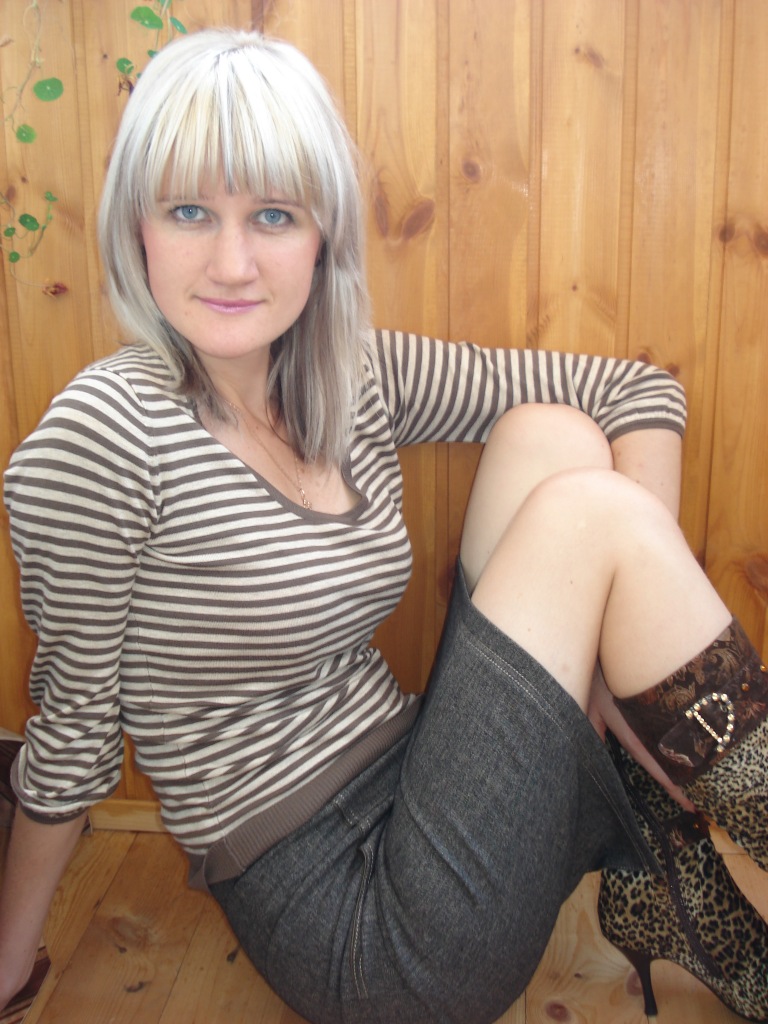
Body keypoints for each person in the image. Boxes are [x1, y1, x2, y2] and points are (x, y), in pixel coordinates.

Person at [1, 27, 767, 1024]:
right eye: (189, 211)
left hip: (425, 784)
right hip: (351, 918)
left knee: (553, 438)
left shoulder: (349, 371)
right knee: (588, 513)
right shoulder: (101, 434)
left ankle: (653, 824)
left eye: (273, 214)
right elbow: (72, 735)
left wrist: (608, 658)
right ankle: (668, 827)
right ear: (134, 226)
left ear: (323, 233)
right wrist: (9, 965)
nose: (231, 262)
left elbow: (636, 392)